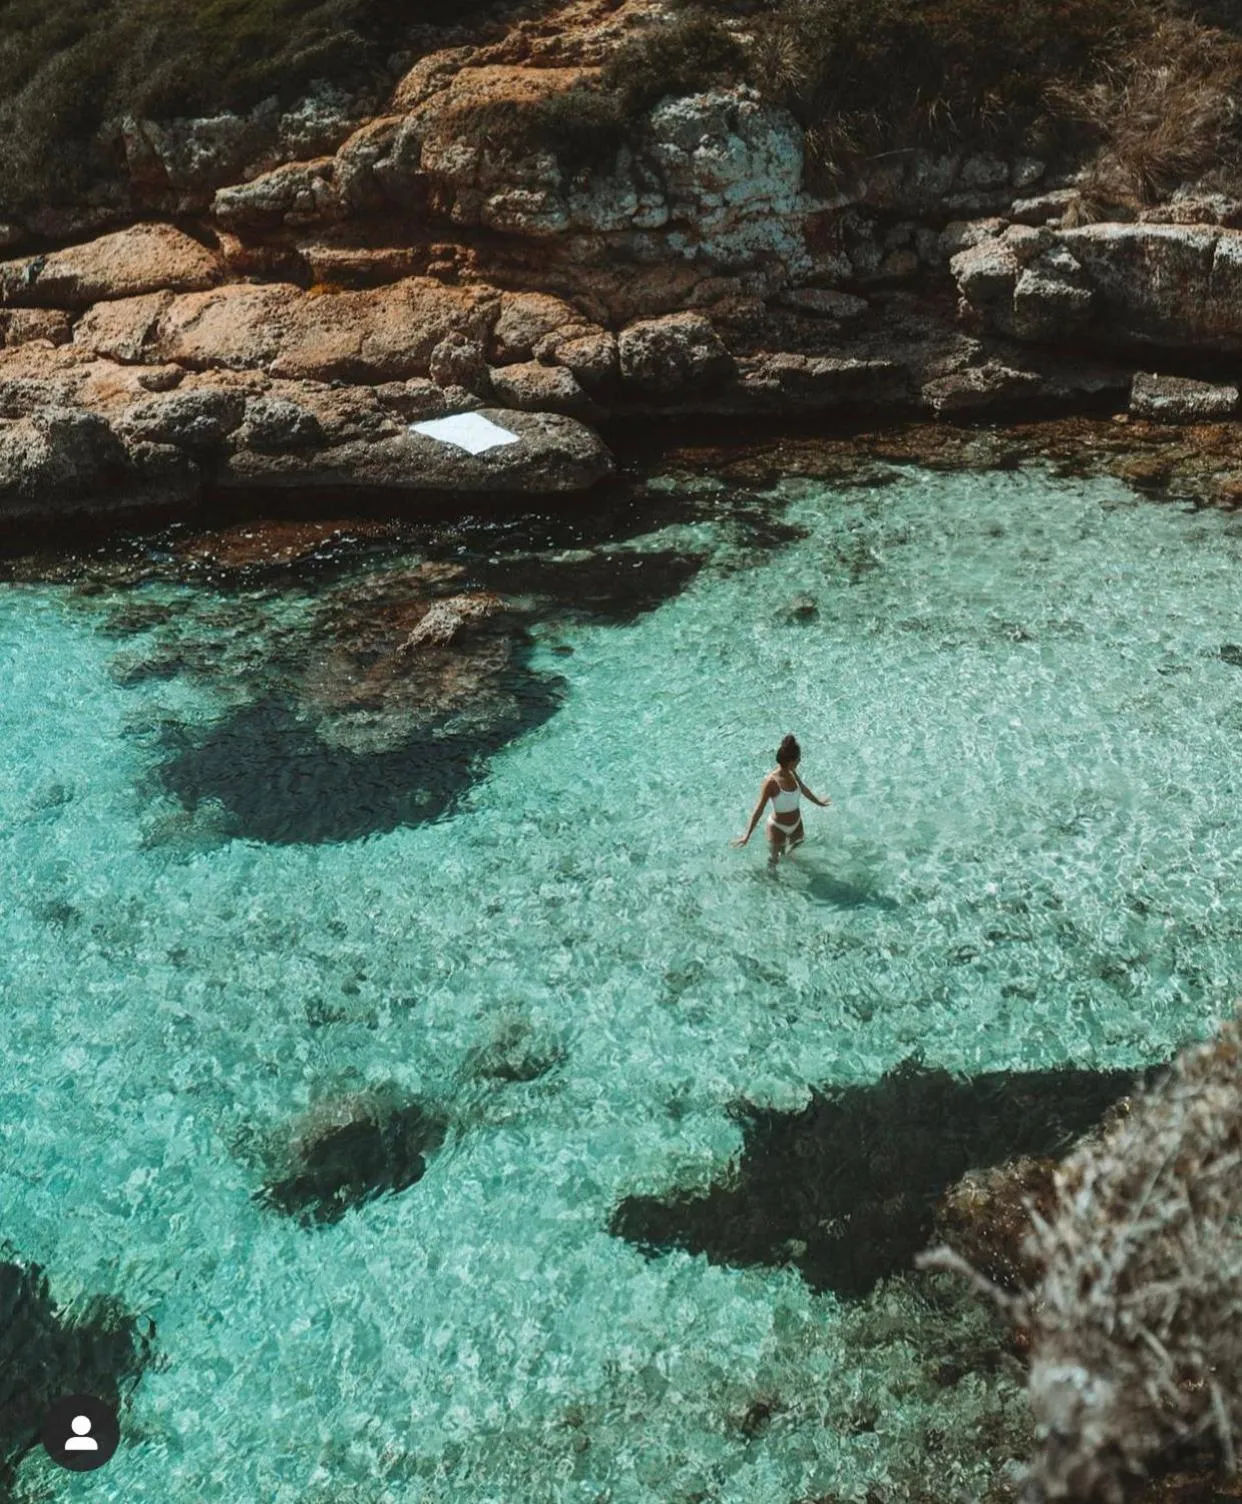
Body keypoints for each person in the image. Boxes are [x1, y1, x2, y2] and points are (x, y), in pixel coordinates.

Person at [731, 734, 830, 865]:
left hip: (797, 825)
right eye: (798, 758)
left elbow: (803, 789)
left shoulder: (792, 773)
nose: (800, 760)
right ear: (791, 761)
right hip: (777, 828)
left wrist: (819, 802)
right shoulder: (771, 782)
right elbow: (759, 808)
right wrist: (747, 835)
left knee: (794, 853)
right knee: (774, 861)